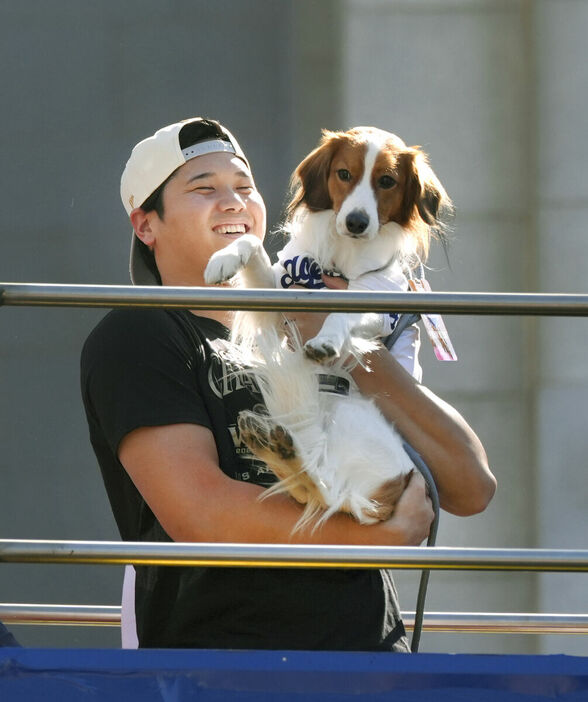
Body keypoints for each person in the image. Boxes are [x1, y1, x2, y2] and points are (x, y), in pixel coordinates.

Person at [81, 117, 496, 651]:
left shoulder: (316, 325)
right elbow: (202, 514)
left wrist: (348, 340)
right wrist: (376, 539)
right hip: (227, 663)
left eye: (244, 187)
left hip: (369, 659)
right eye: (204, 189)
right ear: (146, 225)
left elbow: (470, 486)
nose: (233, 202)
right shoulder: (140, 331)